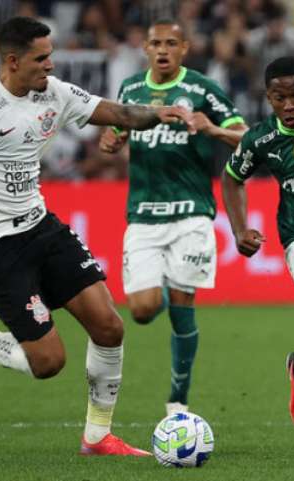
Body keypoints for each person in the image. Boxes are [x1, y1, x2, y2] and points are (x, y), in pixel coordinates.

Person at [0, 16, 194, 456]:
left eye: (51, 55)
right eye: (42, 58)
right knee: (48, 363)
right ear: (12, 61)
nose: (52, 64)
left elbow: (118, 113)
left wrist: (160, 113)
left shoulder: (56, 93)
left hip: (42, 227)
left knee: (109, 327)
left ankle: (97, 437)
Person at [99, 18, 248, 415]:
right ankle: (164, 287)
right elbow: (115, 132)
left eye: (171, 43)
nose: (162, 50)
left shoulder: (202, 89)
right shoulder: (131, 89)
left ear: (184, 49)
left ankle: (178, 400)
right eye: (155, 43)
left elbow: (245, 135)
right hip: (143, 215)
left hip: (191, 213)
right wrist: (111, 139)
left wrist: (212, 128)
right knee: (143, 310)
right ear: (145, 49)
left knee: (184, 305)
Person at [221, 56, 294, 424]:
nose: (289, 105)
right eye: (280, 97)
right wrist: (239, 229)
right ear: (268, 98)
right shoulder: (262, 139)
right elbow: (233, 177)